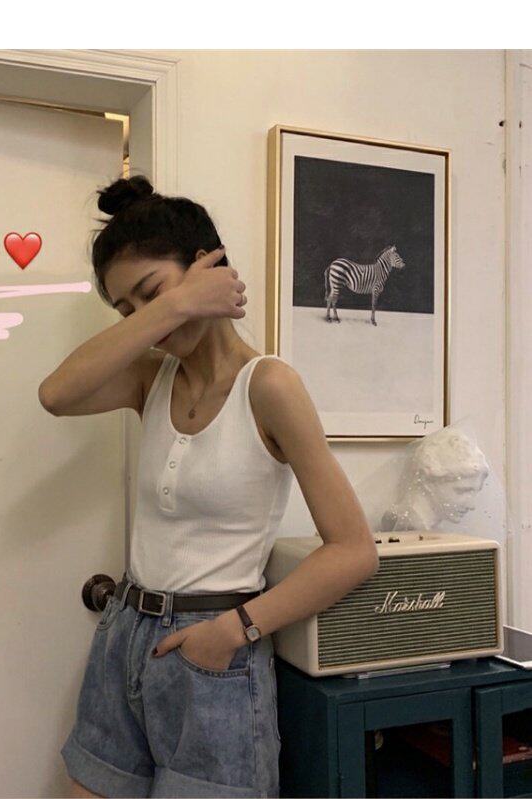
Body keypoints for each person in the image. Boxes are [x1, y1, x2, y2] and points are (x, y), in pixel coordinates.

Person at [38, 175, 379, 798]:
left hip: (213, 651)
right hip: (123, 634)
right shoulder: (151, 378)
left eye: (152, 293)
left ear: (207, 266)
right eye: (128, 312)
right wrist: (171, 307)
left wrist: (233, 631)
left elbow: (353, 550)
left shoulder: (269, 385)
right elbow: (56, 395)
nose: (147, 322)